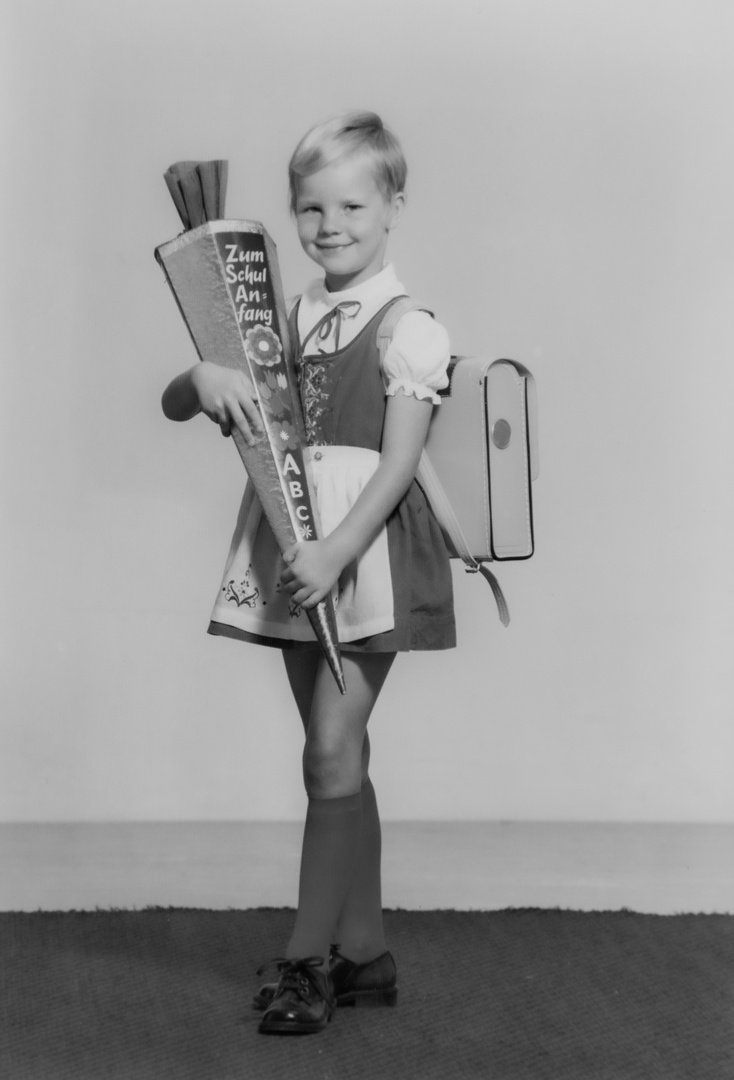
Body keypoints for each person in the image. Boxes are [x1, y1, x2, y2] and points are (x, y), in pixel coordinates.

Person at [161, 111, 456, 1035]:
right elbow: (178, 403)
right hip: (293, 542)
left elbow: (401, 464)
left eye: (352, 205)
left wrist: (334, 553)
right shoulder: (285, 315)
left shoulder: (413, 330)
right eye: (309, 209)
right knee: (341, 760)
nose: (330, 226)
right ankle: (363, 952)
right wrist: (202, 379)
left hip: (360, 552)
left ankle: (303, 962)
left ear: (393, 206)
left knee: (328, 757)